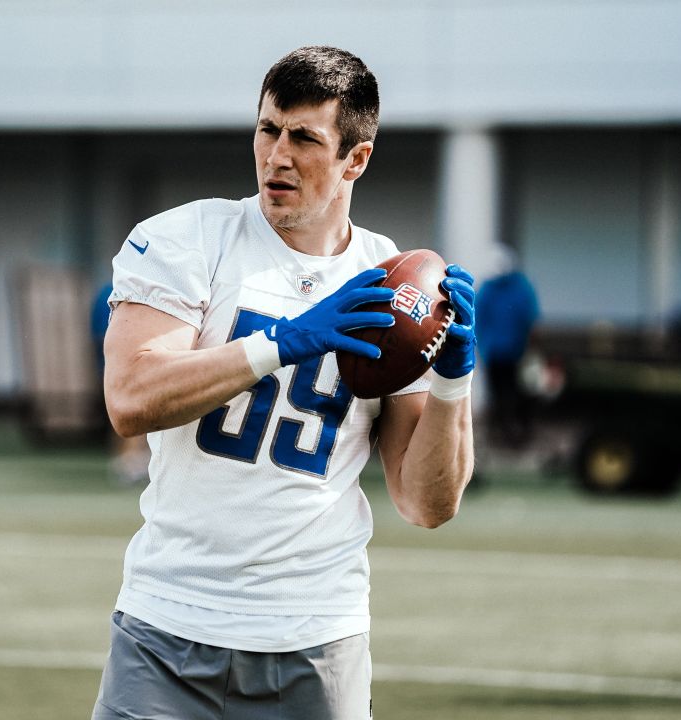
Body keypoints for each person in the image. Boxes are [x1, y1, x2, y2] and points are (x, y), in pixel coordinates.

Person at [92, 46, 477, 719]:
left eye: (305, 138)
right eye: (268, 129)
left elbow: (425, 503)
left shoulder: (388, 279)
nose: (277, 155)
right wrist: (280, 342)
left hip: (315, 638)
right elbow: (131, 399)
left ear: (355, 159)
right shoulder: (190, 239)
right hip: (168, 623)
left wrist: (450, 382)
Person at [474, 246, 540, 448]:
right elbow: (478, 320)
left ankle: (519, 433)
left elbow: (530, 319)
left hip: (515, 352)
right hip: (496, 353)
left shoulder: (520, 287)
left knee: (518, 392)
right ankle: (503, 433)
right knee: (500, 393)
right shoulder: (489, 289)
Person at [92, 281, 150, 486]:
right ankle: (129, 459)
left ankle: (131, 458)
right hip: (121, 365)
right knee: (133, 407)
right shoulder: (114, 291)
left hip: (121, 364)